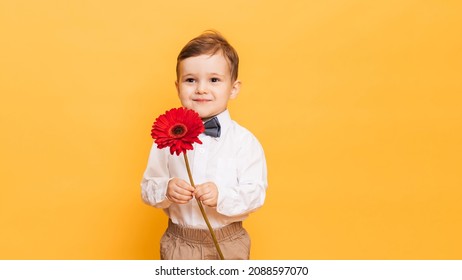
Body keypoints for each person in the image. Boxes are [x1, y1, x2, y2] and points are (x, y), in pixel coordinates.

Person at [141, 30, 268, 260]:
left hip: (228, 243)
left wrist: (222, 195)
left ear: (234, 88)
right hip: (179, 243)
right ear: (177, 86)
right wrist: (166, 188)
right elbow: (147, 188)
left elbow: (255, 193)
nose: (201, 89)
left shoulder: (244, 142)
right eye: (191, 80)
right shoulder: (165, 139)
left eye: (214, 80)